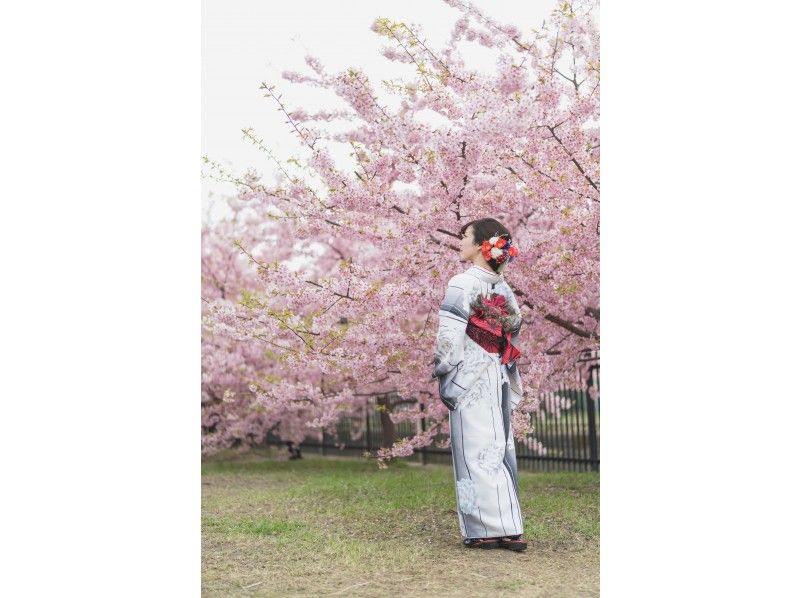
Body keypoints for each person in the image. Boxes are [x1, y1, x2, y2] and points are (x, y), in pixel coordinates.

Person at [431, 217, 527, 551]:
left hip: (469, 374)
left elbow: (449, 334)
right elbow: (513, 327)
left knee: (473, 450)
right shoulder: (503, 287)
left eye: (465, 236)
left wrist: (445, 371)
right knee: (498, 447)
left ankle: (482, 529)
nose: (460, 240)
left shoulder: (462, 282)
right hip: (495, 372)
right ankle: (509, 526)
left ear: (482, 245)